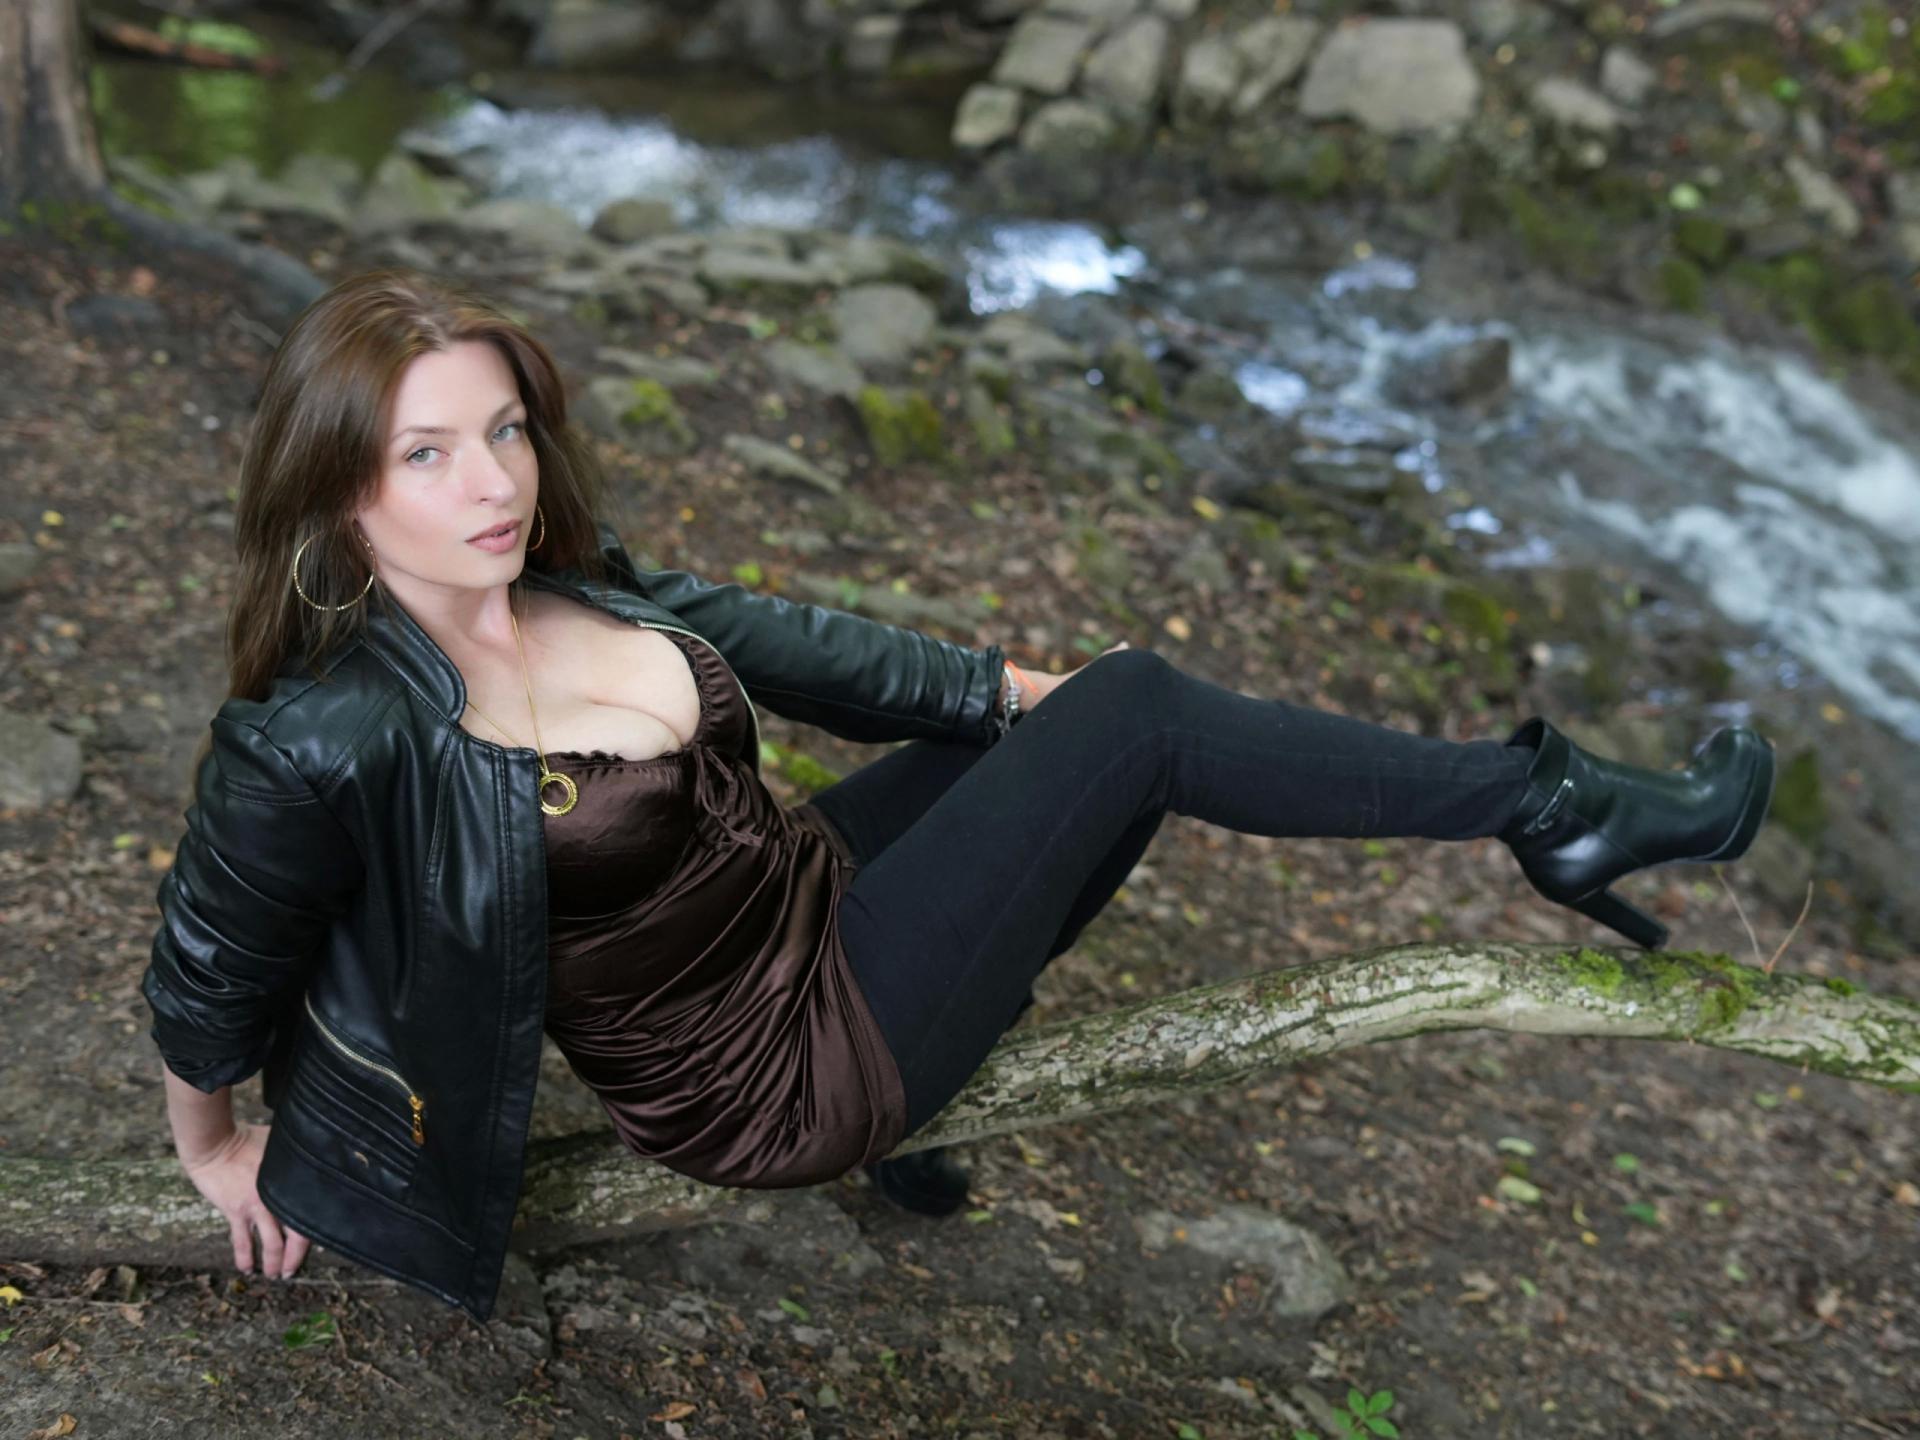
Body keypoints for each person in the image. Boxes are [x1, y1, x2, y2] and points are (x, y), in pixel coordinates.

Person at [143, 268, 1777, 1324]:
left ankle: (1520, 811)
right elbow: (210, 968)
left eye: (503, 430)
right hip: (764, 1066)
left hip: (800, 894)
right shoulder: (325, 738)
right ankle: (1548, 806)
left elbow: (819, 652)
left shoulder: (584, 586)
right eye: (427, 454)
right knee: (1141, 719)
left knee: (1105, 723)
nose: (493, 481)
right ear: (338, 492)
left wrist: (1025, 702)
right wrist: (217, 1152)